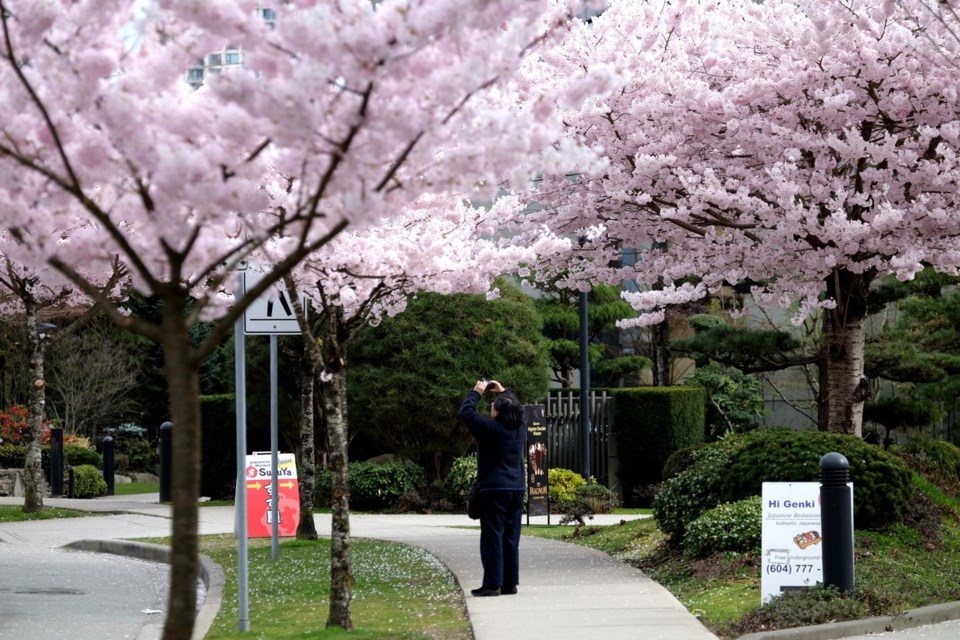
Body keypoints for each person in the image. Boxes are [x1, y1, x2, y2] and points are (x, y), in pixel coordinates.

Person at [459, 378, 525, 597]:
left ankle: (492, 584)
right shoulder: (519, 428)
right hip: (517, 489)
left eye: (493, 407)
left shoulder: (489, 429)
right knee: (511, 536)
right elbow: (518, 409)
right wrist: (505, 392)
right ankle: (509, 583)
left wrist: (476, 391)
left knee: (492, 536)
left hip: (494, 489)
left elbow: (466, 413)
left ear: (497, 413)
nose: (491, 409)